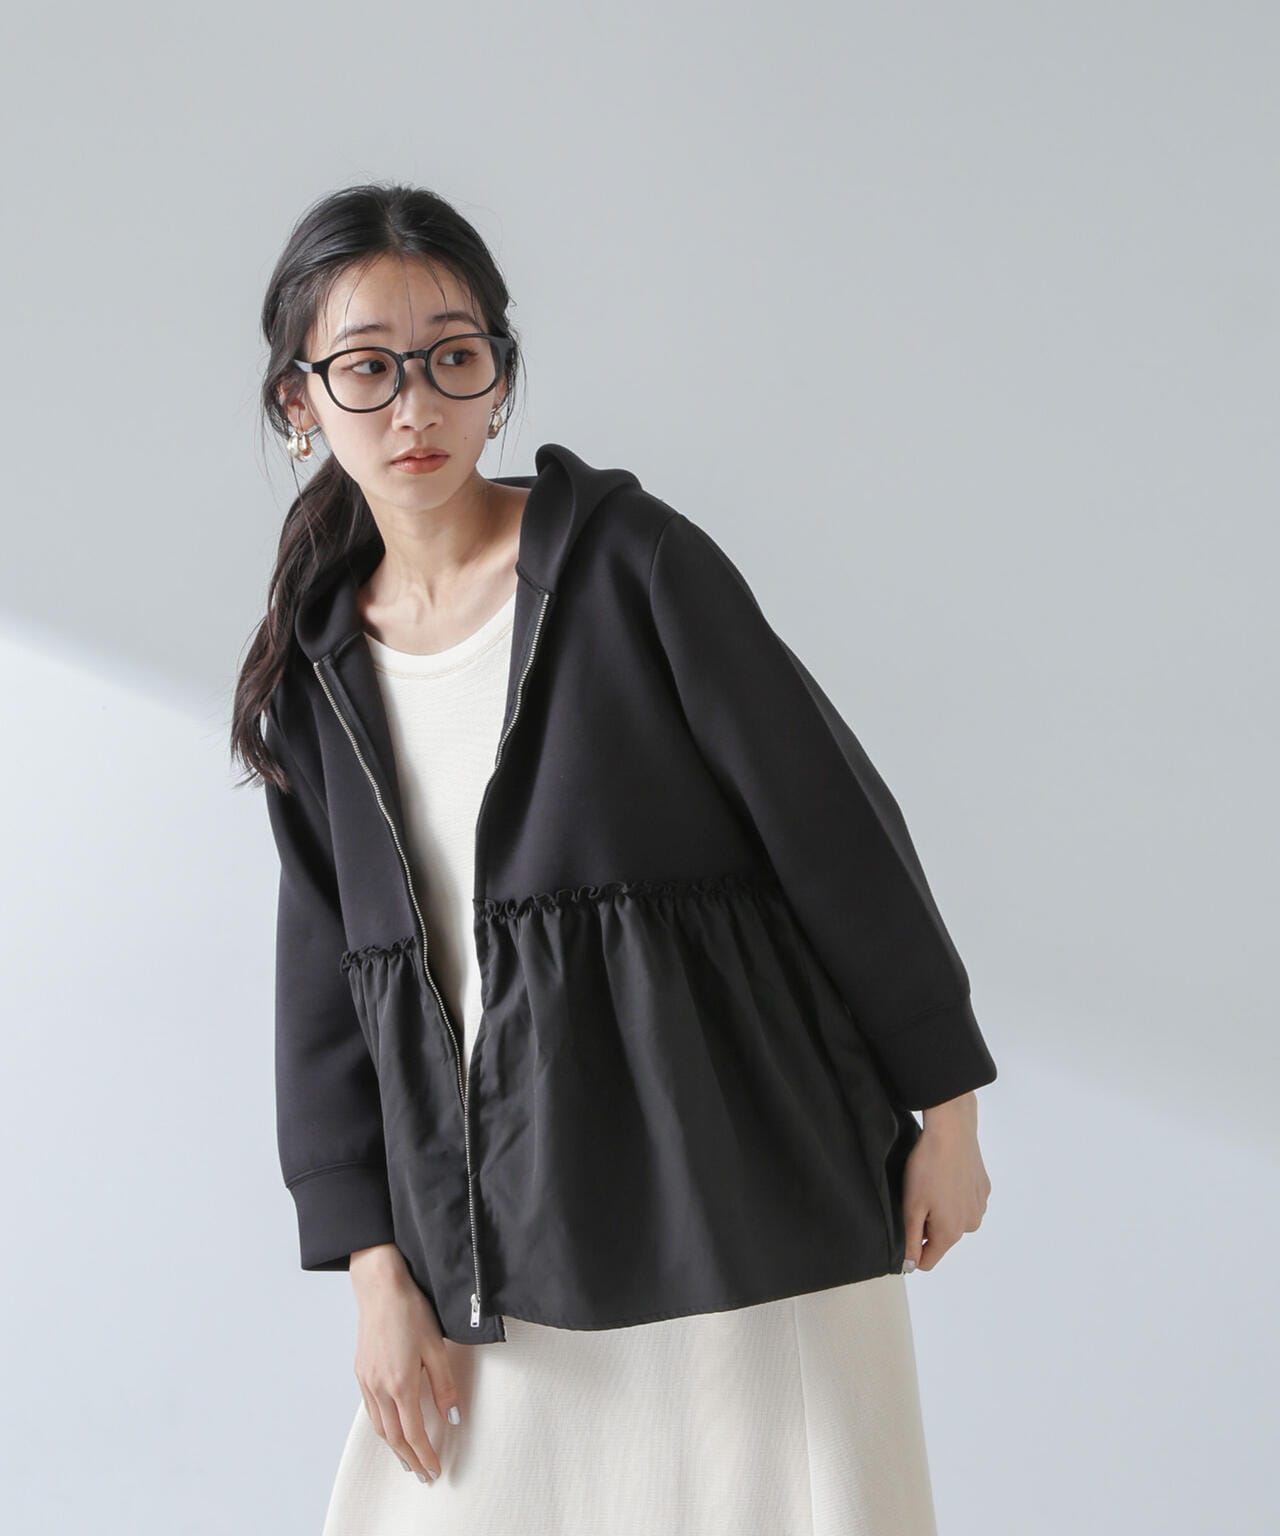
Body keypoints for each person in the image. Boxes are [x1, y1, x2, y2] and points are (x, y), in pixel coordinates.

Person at [231, 181, 997, 1535]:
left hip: (740, 1195)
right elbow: (327, 999)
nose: (414, 406)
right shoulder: (316, 673)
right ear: (302, 401)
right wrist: (374, 1274)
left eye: (452, 359)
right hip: (492, 1232)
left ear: (500, 377)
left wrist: (949, 1111)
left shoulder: (631, 567)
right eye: (367, 369)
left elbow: (832, 827)